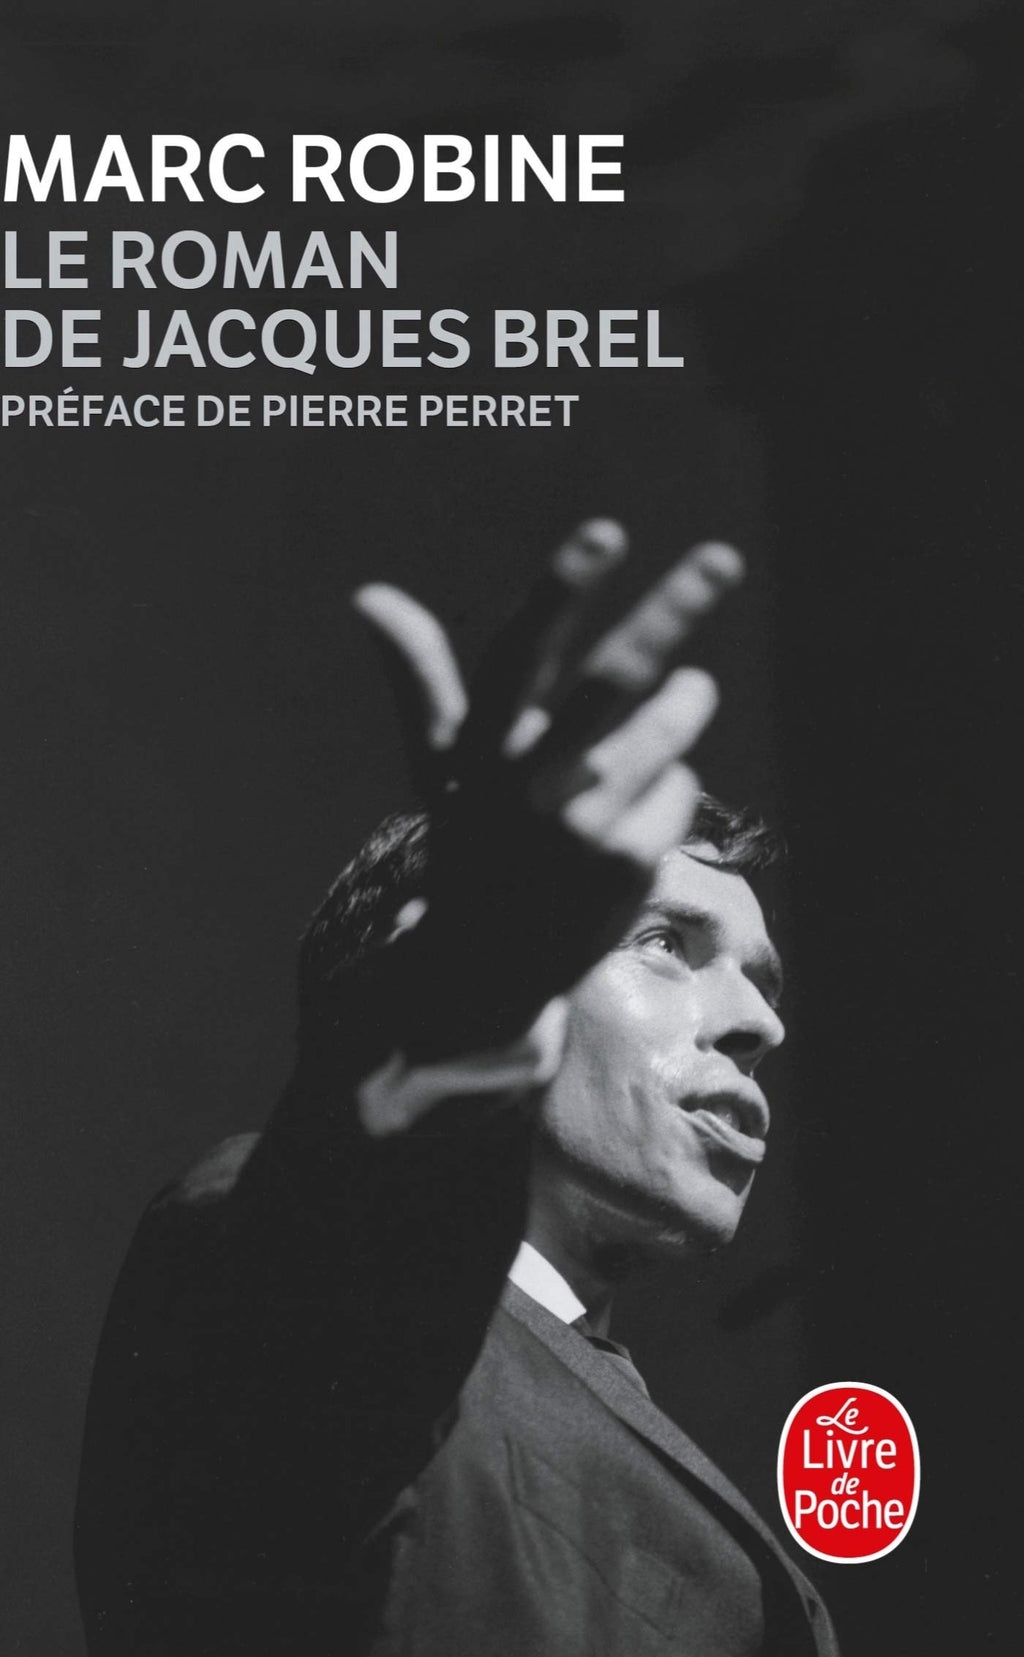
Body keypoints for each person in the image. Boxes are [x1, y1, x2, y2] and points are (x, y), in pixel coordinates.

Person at [75, 520, 838, 1655]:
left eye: (764, 982)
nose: (759, 1022)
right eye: (665, 941)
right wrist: (454, 1016)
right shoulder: (290, 1247)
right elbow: (334, 1288)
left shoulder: (580, 1375)